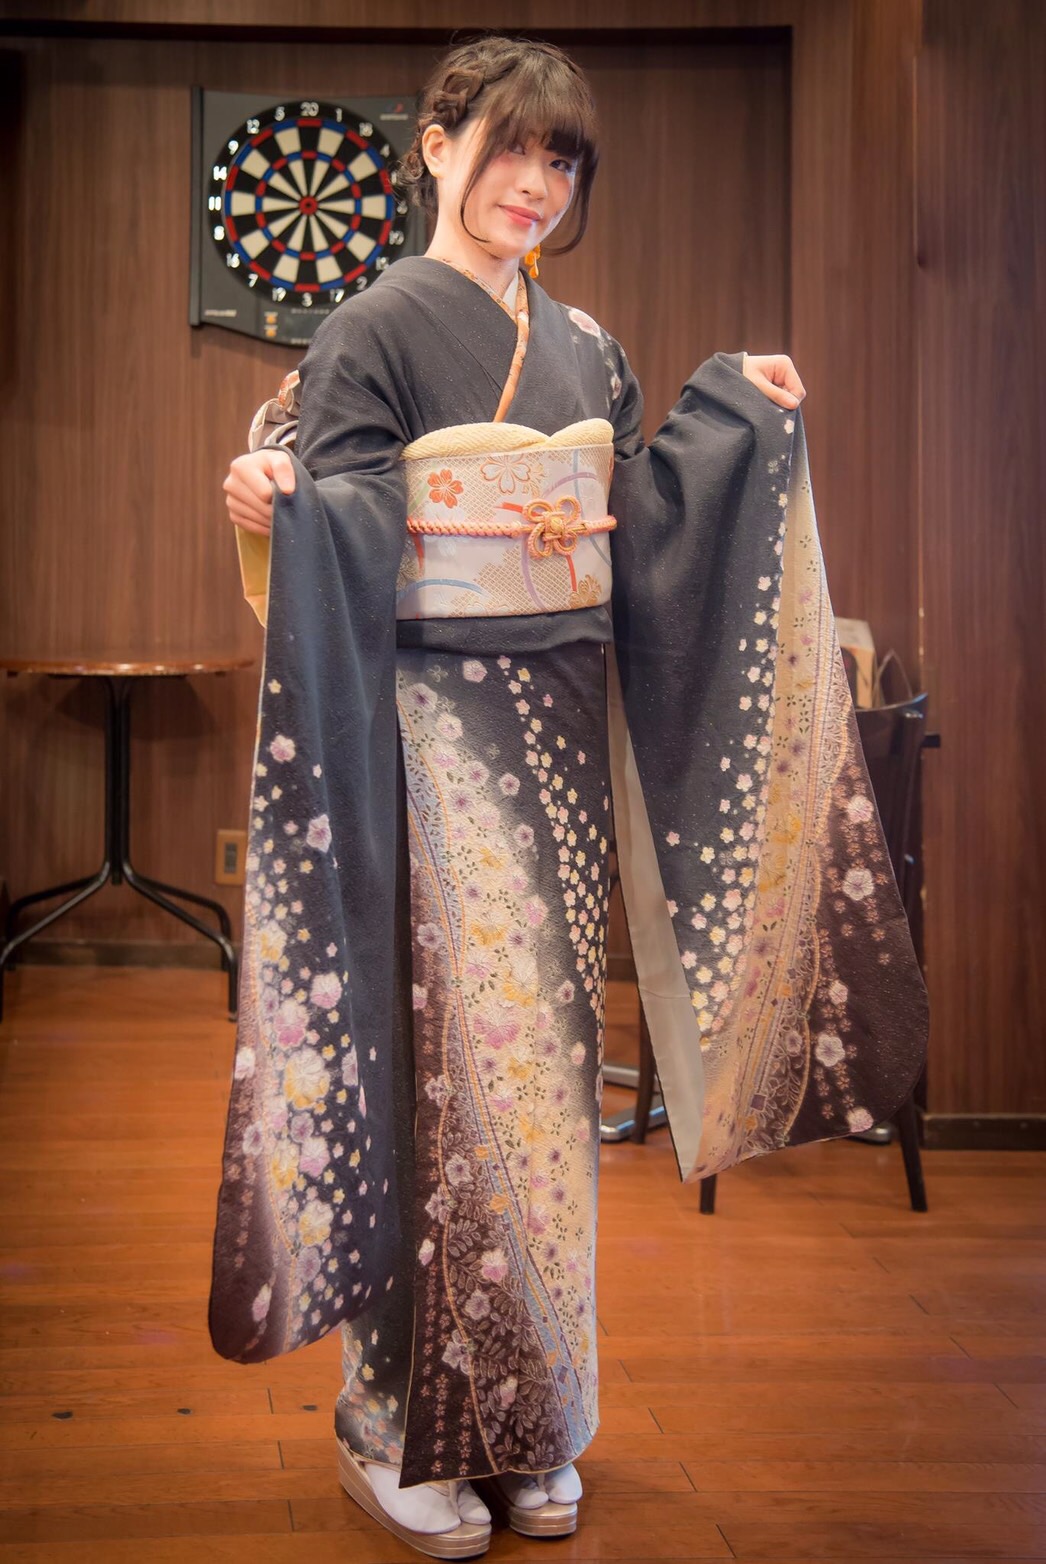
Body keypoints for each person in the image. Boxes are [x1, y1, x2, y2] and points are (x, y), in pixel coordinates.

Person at [210, 32, 928, 1561]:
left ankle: (534, 1418)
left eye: (561, 160)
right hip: (430, 728)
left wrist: (735, 416)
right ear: (435, 144)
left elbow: (640, 524)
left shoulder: (586, 348)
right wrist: (285, 497)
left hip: (553, 729)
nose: (534, 182)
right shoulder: (370, 328)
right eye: (510, 146)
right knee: (441, 1071)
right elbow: (346, 518)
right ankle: (393, 1426)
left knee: (539, 1078)